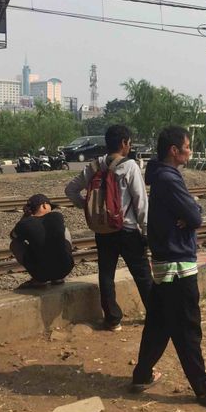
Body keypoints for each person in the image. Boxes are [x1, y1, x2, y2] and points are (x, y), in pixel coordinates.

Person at [131, 126, 206, 409]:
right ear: (174, 151)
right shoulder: (169, 178)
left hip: (166, 265)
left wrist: (191, 212)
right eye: (187, 146)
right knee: (187, 327)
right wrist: (191, 214)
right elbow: (194, 216)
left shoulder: (162, 177)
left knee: (158, 324)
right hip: (178, 265)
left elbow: (191, 212)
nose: (190, 150)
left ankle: (141, 374)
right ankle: (203, 387)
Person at [65, 125, 152, 332]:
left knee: (106, 274)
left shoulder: (94, 165)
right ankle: (155, 314)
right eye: (129, 142)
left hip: (103, 231)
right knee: (142, 274)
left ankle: (112, 319)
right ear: (123, 143)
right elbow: (141, 201)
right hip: (127, 229)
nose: (129, 146)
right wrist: (146, 230)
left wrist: (85, 205)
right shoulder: (130, 166)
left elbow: (70, 190)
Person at [9, 194, 74, 288]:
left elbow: (13, 236)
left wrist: (25, 217)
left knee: (14, 243)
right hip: (65, 269)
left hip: (40, 274)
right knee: (65, 231)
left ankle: (38, 281)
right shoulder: (57, 216)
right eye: (50, 206)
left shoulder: (25, 223)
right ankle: (58, 278)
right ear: (44, 205)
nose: (51, 209)